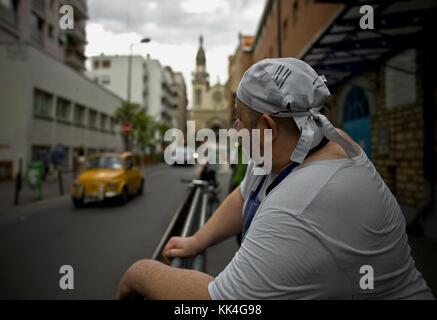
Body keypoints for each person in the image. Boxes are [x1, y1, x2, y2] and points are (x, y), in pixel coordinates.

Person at [117, 58, 434, 300]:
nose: (235, 129)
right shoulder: (303, 139)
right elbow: (245, 193)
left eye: (239, 118)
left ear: (267, 128)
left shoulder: (302, 204)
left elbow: (221, 301)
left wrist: (138, 273)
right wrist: (198, 240)